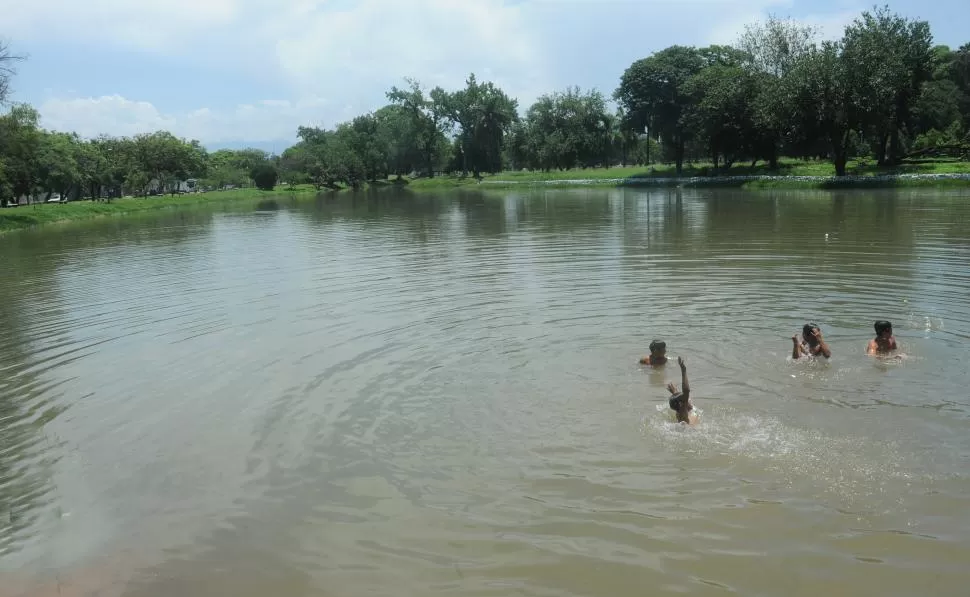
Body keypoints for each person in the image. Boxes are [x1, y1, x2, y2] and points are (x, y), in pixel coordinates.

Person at [666, 356, 698, 425]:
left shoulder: (684, 409)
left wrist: (675, 392)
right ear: (681, 404)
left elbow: (689, 405)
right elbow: (686, 391)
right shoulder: (683, 417)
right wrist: (683, 370)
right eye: (684, 399)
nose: (687, 399)